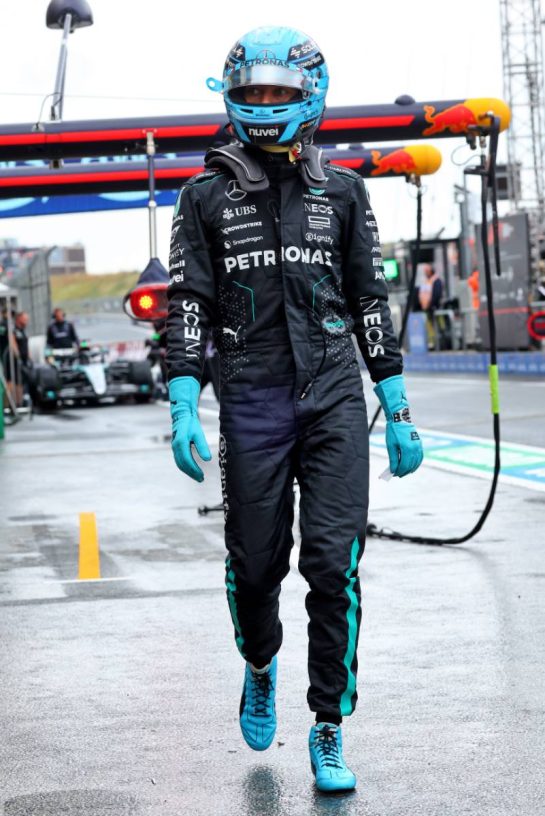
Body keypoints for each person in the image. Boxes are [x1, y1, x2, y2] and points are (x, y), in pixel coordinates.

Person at [166, 27, 423, 793]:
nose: (265, 104)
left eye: (279, 92)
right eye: (252, 92)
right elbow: (189, 301)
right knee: (254, 569)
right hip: (250, 397)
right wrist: (184, 399)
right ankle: (258, 664)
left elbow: (368, 298)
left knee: (330, 566)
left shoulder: (342, 191)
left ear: (309, 94)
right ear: (232, 98)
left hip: (334, 394)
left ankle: (328, 726)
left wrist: (396, 403)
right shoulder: (203, 195)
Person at [5, 311, 31, 406]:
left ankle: (19, 403)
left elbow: (26, 345)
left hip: (23, 360)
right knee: (11, 381)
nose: (26, 321)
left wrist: (29, 358)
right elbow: (13, 343)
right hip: (13, 360)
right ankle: (8, 404)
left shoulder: (23, 330)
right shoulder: (13, 330)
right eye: (25, 319)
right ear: (19, 318)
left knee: (20, 382)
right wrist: (18, 356)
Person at [418, 263, 444, 348]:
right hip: (427, 308)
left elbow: (436, 294)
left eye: (427, 271)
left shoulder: (436, 280)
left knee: (440, 326)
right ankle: (432, 344)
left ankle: (443, 343)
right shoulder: (427, 281)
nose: (426, 273)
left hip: (436, 308)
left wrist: (432, 304)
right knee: (429, 327)